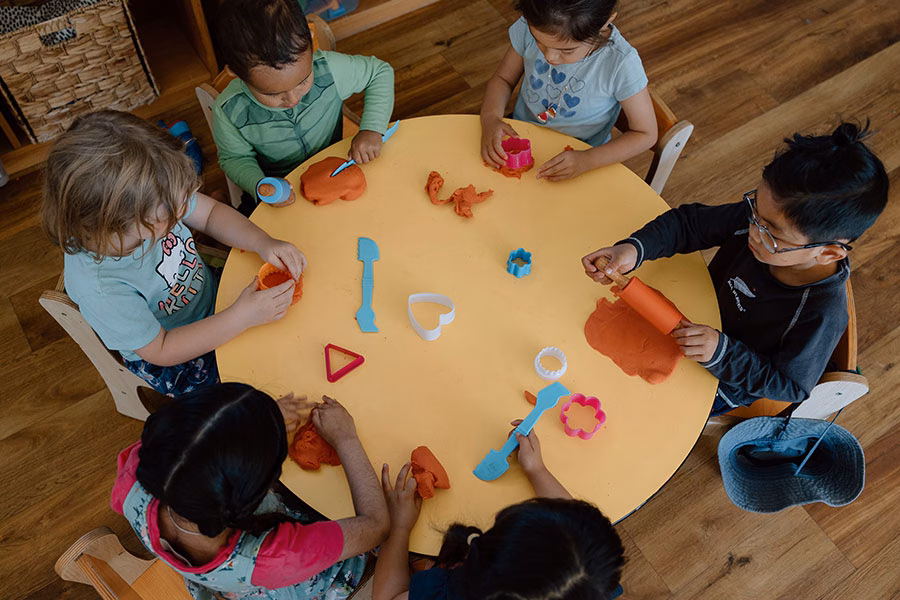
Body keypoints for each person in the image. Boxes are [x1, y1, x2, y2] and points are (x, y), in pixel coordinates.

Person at [582, 121, 889, 415]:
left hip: (723, 379)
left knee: (629, 410)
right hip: (693, 317)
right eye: (755, 209)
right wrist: (635, 248)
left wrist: (722, 353)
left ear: (829, 252)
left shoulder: (821, 312)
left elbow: (789, 385)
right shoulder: (763, 220)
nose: (754, 231)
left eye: (771, 234)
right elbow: (688, 224)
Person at [42, 110, 306, 396]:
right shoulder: (101, 287)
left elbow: (211, 214)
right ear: (113, 225)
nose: (183, 211)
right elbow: (162, 349)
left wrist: (262, 242)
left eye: (182, 202)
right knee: (263, 393)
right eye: (171, 213)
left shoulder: (154, 197)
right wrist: (240, 318)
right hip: (178, 354)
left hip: (211, 296)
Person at [111, 383, 390, 599]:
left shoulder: (136, 474)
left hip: (224, 579)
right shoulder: (277, 556)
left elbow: (195, 448)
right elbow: (377, 526)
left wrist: (254, 420)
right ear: (261, 492)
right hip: (292, 581)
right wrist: (346, 439)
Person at [373, 426, 625, 600]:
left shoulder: (455, 592)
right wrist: (537, 470)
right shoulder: (587, 586)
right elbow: (573, 539)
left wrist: (398, 528)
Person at [213, 0, 394, 208]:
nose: (292, 99)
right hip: (280, 186)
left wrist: (372, 128)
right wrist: (260, 184)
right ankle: (222, 203)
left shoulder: (330, 70)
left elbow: (379, 73)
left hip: (334, 166)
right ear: (236, 73)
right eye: (272, 94)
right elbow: (235, 158)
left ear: (310, 37)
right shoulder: (229, 110)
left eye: (303, 81)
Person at [480, 0, 656, 182]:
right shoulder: (532, 23)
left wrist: (588, 160)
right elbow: (503, 79)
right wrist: (490, 119)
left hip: (582, 155)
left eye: (567, 50)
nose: (549, 57)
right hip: (522, 134)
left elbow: (645, 134)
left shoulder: (621, 64)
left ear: (605, 22)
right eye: (538, 41)